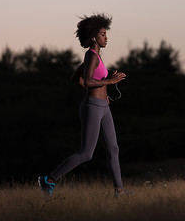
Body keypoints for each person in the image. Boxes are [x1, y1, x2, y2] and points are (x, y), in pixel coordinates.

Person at [38, 13, 128, 198]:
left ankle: (119, 191)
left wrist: (104, 93)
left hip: (104, 106)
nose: (106, 37)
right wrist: (109, 82)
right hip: (93, 107)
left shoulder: (96, 57)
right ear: (94, 37)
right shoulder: (91, 56)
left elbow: (76, 78)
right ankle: (49, 180)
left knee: (113, 148)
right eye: (103, 34)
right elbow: (87, 82)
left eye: (106, 33)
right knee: (86, 153)